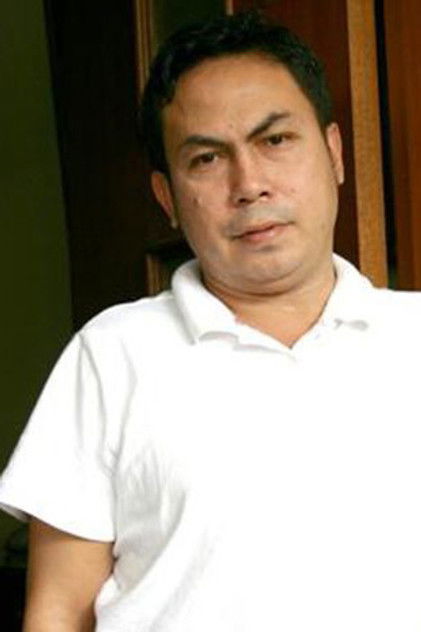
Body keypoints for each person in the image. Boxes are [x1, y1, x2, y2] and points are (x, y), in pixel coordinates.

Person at [1, 10, 421, 632]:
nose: (249, 184)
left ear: (334, 152)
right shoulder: (112, 354)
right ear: (166, 197)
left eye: (275, 141)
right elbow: (58, 612)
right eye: (206, 159)